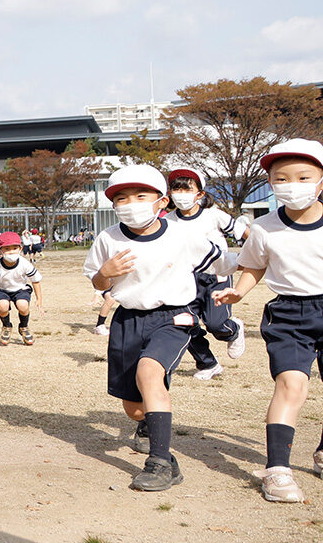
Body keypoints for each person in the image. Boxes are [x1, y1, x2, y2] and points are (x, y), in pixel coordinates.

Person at [85, 164, 229, 492]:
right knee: (135, 409)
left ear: (161, 202)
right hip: (127, 320)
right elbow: (97, 280)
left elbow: (220, 261)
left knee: (149, 373)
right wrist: (105, 272)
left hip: (173, 316)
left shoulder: (183, 235)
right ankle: (151, 427)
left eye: (140, 196)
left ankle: (161, 461)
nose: (130, 203)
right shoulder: (108, 238)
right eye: (121, 198)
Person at [213, 138, 323, 504]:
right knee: (292, 385)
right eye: (282, 178)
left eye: (304, 176)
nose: (293, 185)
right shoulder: (264, 228)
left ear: (321, 180)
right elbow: (254, 265)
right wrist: (239, 292)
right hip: (290, 314)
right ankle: (277, 471)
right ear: (272, 184)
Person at [165, 165, 249, 381]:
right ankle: (208, 363)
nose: (181, 195)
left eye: (187, 189)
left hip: (216, 276)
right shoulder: (167, 222)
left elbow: (247, 235)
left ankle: (234, 329)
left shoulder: (214, 216)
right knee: (183, 323)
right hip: (185, 279)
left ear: (200, 194)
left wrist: (253, 258)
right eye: (176, 189)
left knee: (215, 324)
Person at [0, 231, 43, 345]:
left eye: (14, 248)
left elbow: (35, 279)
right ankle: (6, 326)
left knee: (23, 305)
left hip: (20, 289)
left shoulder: (24, 263)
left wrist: (39, 299)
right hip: (3, 290)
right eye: (7, 249)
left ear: (20, 248)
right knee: (3, 306)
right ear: (0, 250)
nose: (11, 252)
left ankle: (24, 327)